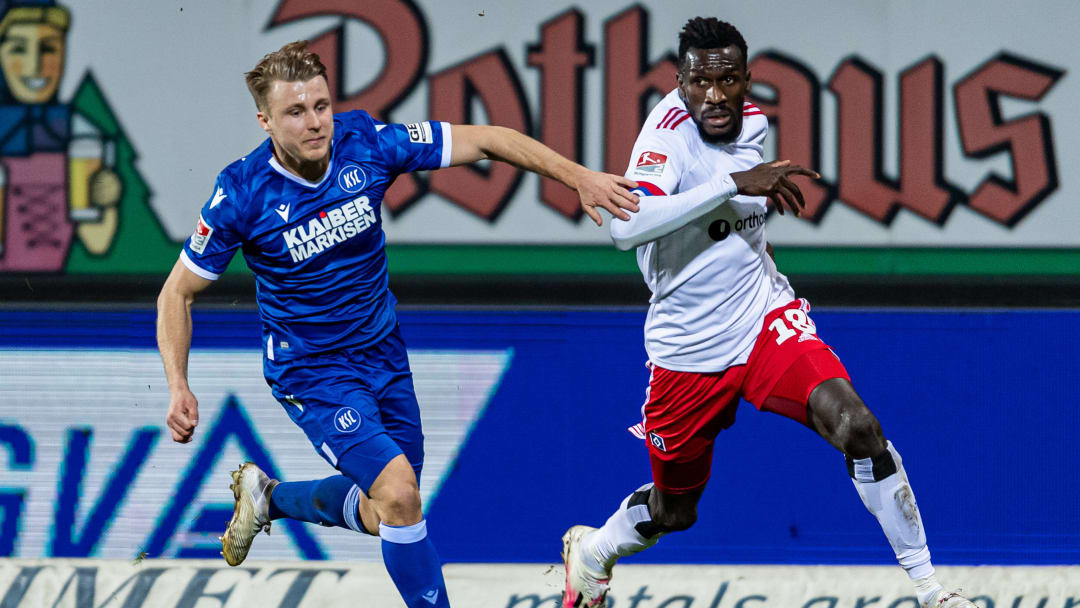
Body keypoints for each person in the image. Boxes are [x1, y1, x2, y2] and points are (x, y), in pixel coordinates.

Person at [156, 41, 639, 608]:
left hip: (383, 356)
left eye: (321, 105)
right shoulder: (239, 193)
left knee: (385, 507)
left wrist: (576, 174)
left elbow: (488, 139)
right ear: (264, 121)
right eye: (295, 112)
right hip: (311, 370)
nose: (315, 123)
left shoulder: (366, 143)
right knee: (400, 495)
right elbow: (176, 294)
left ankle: (270, 499)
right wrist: (178, 384)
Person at [560, 18, 976, 608]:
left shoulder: (752, 123)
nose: (714, 95)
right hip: (687, 353)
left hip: (763, 322)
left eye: (728, 79)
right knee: (676, 510)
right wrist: (733, 183)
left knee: (859, 428)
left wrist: (755, 241)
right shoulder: (666, 137)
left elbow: (735, 224)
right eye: (700, 82)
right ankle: (596, 552)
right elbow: (627, 229)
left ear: (746, 79)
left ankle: (933, 592)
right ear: (679, 82)